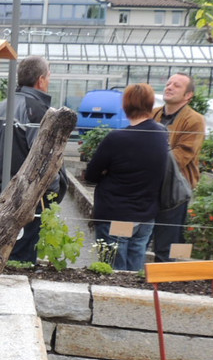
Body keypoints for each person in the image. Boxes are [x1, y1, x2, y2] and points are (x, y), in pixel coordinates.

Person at [0, 55, 67, 263]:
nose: (49, 81)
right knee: (21, 260)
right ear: (40, 80)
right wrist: (54, 189)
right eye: (48, 76)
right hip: (28, 200)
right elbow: (45, 160)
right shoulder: (37, 112)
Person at [84, 84, 168, 271]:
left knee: (113, 271)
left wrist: (108, 172)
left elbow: (91, 175)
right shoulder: (161, 134)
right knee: (134, 274)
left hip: (116, 215)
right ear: (150, 105)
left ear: (125, 105)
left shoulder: (116, 138)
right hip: (145, 217)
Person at [151, 72, 205, 262]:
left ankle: (164, 278)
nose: (169, 87)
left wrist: (144, 163)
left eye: (177, 85)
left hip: (174, 190)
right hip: (149, 186)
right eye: (168, 83)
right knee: (135, 237)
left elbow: (182, 155)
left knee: (166, 246)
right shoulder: (153, 114)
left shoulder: (194, 120)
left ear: (188, 95)